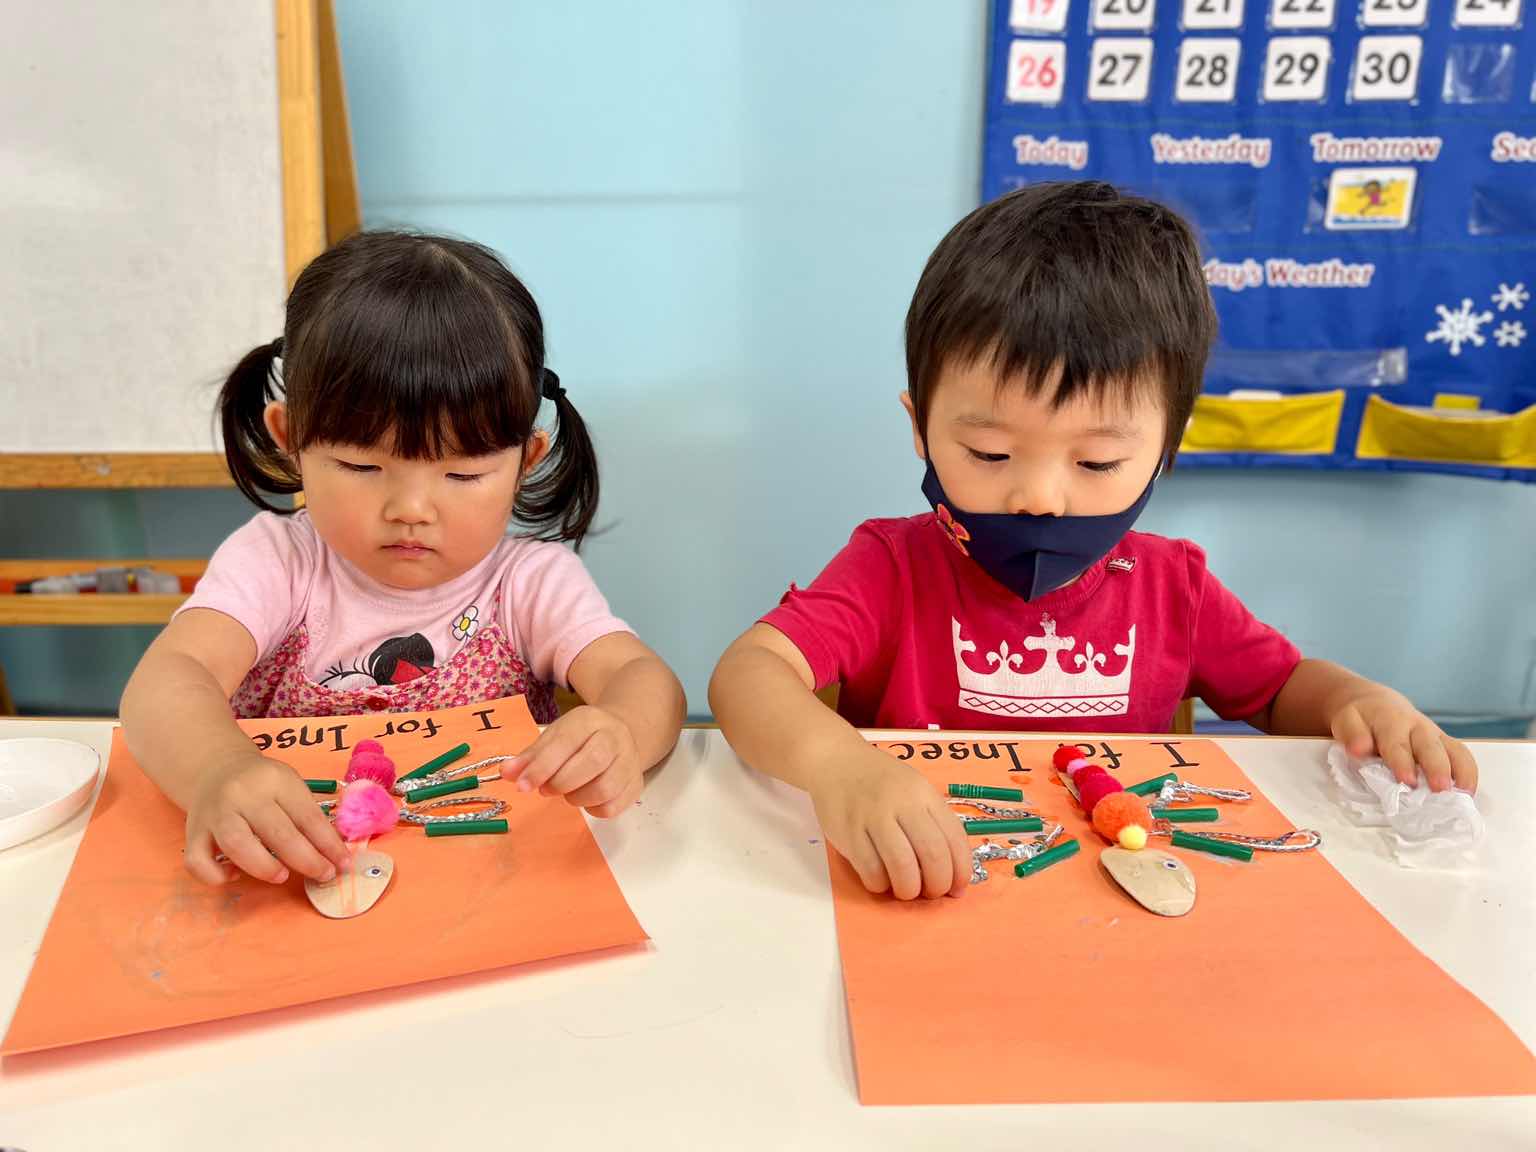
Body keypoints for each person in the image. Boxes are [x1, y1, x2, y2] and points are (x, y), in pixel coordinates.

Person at [710, 181, 1475, 902]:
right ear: (920, 427)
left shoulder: (1173, 585)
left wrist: (1359, 702)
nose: (1040, 497)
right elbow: (750, 673)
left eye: (1098, 462)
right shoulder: (891, 568)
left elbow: (1278, 690)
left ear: (1167, 446)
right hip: (930, 889)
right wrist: (840, 766)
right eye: (989, 453)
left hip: (1124, 895)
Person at [122, 231, 684, 887]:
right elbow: (167, 679)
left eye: (462, 475)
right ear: (291, 439)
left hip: (483, 881)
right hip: (299, 873)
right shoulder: (279, 562)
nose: (411, 509)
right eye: (363, 466)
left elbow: (645, 680)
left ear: (525, 461)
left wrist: (619, 731)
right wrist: (217, 770)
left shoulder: (524, 584)